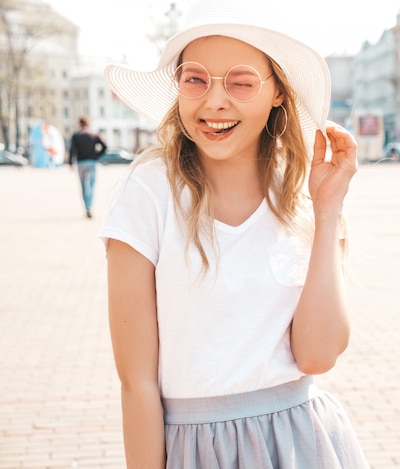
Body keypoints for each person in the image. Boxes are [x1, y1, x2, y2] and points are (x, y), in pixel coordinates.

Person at [98, 1, 369, 468]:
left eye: (241, 82)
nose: (214, 101)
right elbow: (136, 382)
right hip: (196, 451)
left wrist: (327, 211)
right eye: (195, 79)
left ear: (278, 92)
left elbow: (318, 355)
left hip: (301, 443)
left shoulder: (307, 195)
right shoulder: (147, 192)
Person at [69, 116, 107, 218]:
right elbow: (105, 146)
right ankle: (90, 208)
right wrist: (96, 156)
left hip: (81, 162)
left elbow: (72, 150)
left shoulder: (76, 135)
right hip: (92, 162)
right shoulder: (94, 134)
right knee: (91, 186)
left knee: (83, 187)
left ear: (80, 124)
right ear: (88, 123)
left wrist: (70, 163)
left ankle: (86, 208)